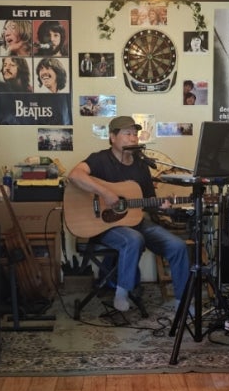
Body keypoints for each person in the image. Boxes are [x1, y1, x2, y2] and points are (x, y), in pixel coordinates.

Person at [67, 115, 190, 313]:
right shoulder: (99, 159)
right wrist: (105, 193)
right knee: (133, 239)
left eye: (135, 134)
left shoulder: (141, 165)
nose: (133, 138)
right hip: (104, 226)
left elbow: (148, 201)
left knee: (178, 246)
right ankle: (122, 292)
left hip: (136, 221)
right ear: (112, 137)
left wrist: (162, 206)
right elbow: (74, 175)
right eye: (128, 134)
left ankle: (182, 302)